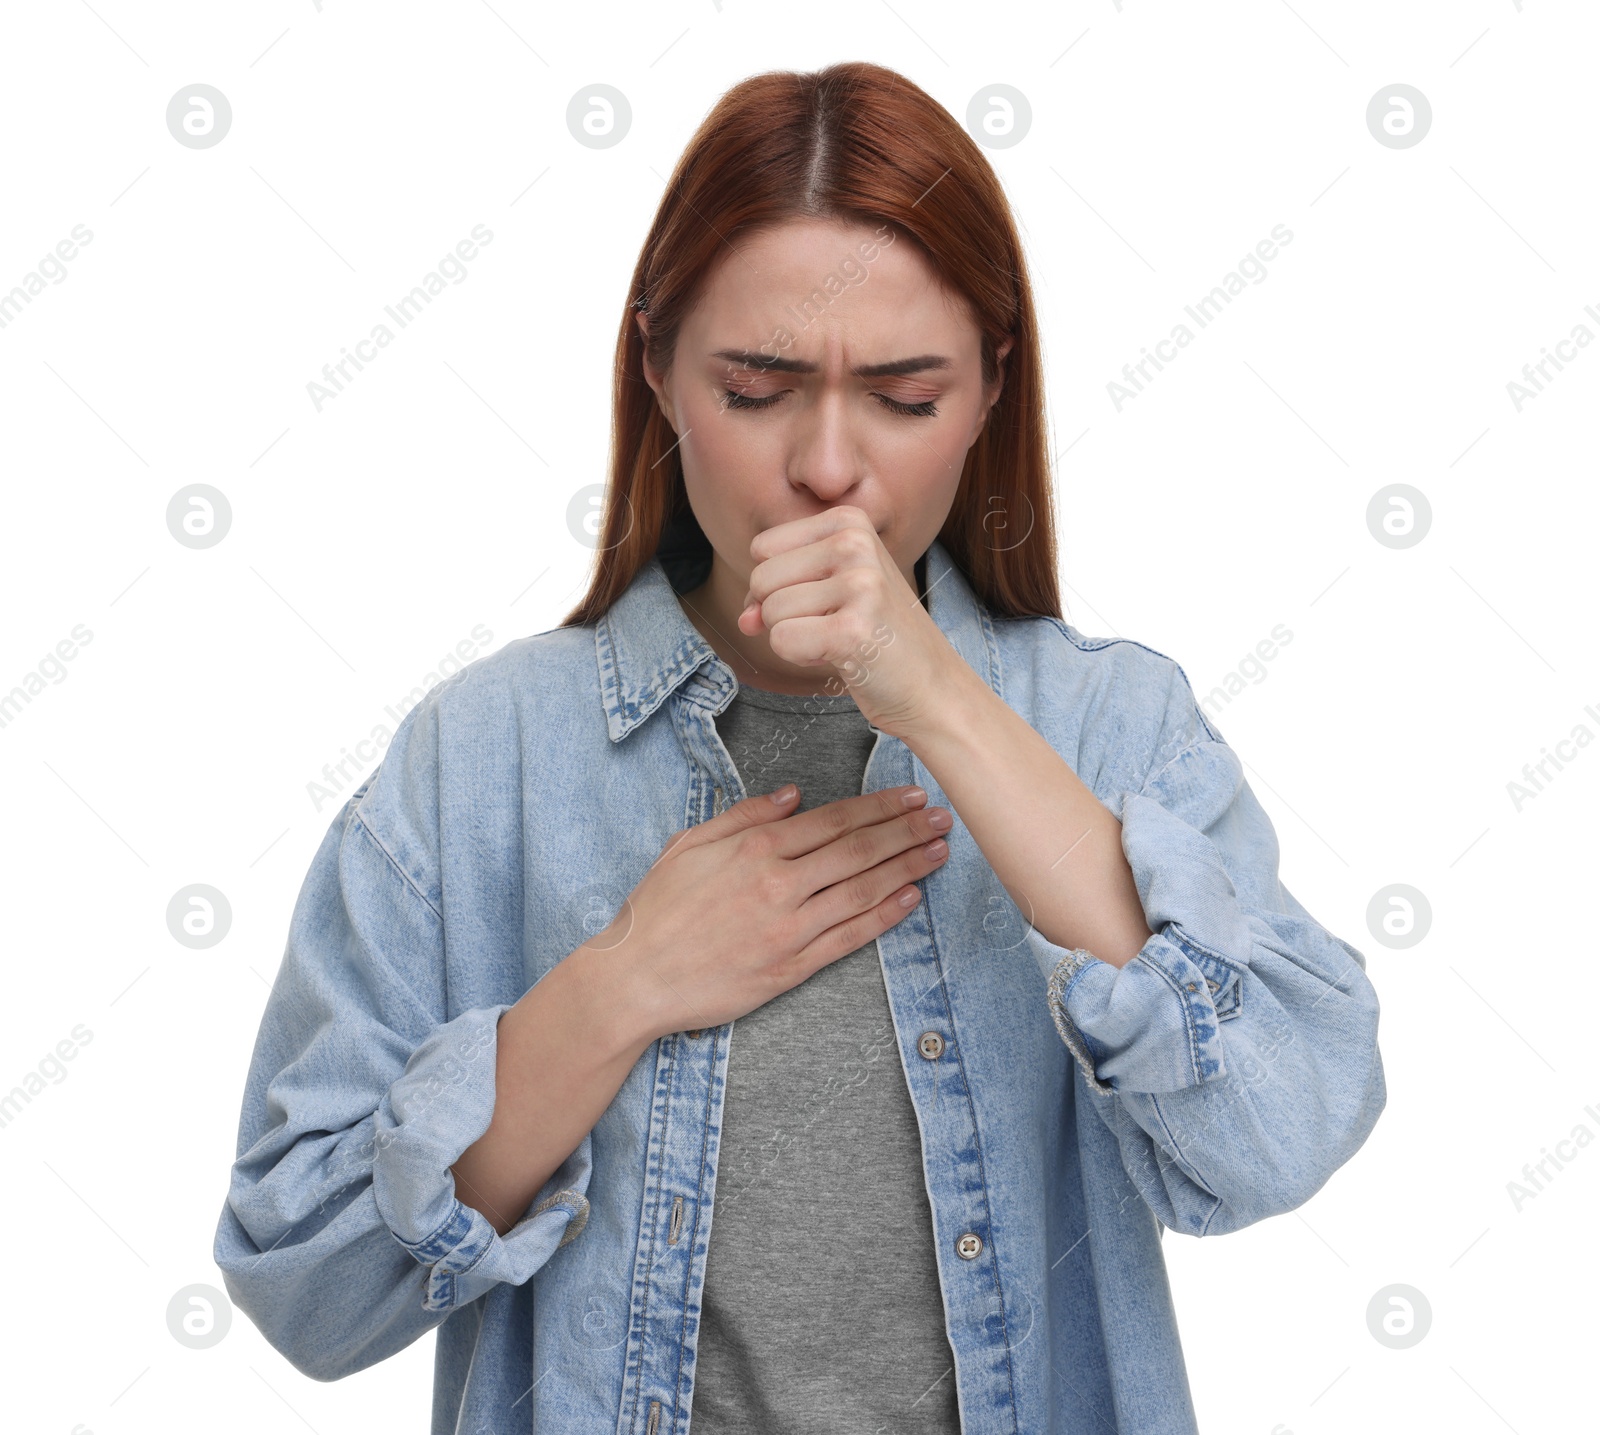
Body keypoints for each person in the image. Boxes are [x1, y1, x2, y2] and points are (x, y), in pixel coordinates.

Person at [214, 60, 1386, 1435]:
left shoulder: (1115, 728)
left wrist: (942, 702)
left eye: (905, 394)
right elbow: (304, 1281)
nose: (830, 465)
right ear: (657, 369)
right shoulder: (481, 762)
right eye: (760, 385)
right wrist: (618, 990)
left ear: (994, 386)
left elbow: (1281, 1134)